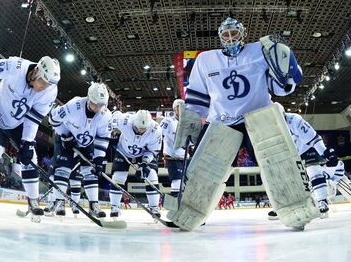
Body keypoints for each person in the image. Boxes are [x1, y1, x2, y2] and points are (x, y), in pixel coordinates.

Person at [171, 17, 313, 231]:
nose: (230, 38)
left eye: (234, 33)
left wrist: (290, 74)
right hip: (221, 121)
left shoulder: (260, 51)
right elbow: (197, 96)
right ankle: (191, 211)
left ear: (243, 34)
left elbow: (281, 89)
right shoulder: (205, 60)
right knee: (202, 171)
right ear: (220, 37)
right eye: (226, 35)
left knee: (278, 164)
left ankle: (297, 206)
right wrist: (191, 123)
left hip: (258, 118)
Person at [0, 55, 60, 221]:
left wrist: (27, 142)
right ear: (36, 71)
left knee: (31, 157)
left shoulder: (50, 91)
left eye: (48, 85)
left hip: (18, 124)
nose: (44, 87)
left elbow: (34, 118)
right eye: (42, 82)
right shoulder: (15, 66)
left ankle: (33, 201)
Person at [47, 82, 112, 218]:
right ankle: (59, 202)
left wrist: (99, 159)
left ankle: (94, 204)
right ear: (89, 98)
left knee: (91, 172)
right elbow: (53, 119)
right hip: (66, 140)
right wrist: (65, 135)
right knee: (62, 170)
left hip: (86, 143)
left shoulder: (105, 115)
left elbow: (103, 137)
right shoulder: (74, 105)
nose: (98, 108)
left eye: (101, 105)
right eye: (95, 104)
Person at [108, 110, 162, 218]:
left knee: (152, 175)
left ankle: (154, 207)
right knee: (118, 177)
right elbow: (114, 116)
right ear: (133, 123)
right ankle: (114, 207)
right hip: (123, 151)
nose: (141, 131)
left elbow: (153, 150)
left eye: (144, 129)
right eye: (138, 128)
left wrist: (145, 162)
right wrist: (111, 134)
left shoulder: (156, 130)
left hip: (143, 153)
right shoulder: (125, 120)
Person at [160, 99, 188, 200]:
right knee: (177, 182)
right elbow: (158, 135)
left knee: (187, 183)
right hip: (172, 157)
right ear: (175, 109)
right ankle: (175, 203)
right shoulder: (168, 121)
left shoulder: (187, 123)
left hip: (185, 158)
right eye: (180, 108)